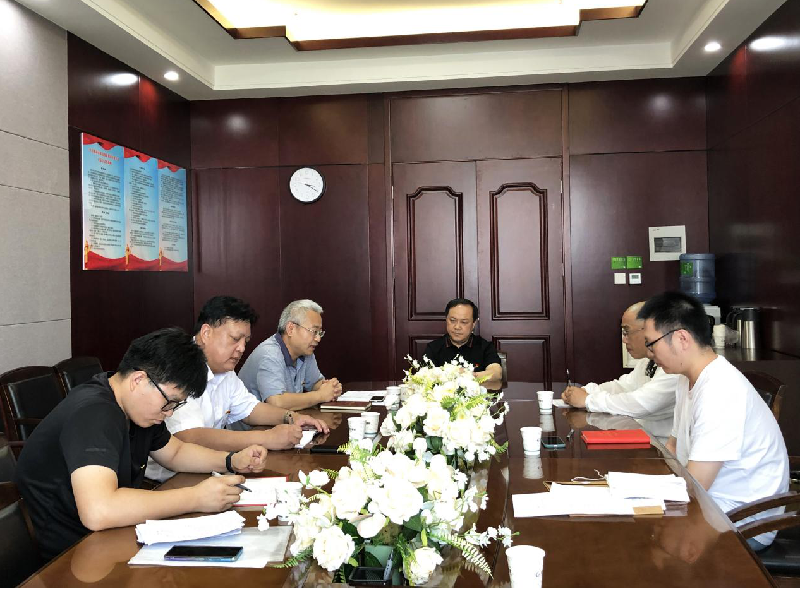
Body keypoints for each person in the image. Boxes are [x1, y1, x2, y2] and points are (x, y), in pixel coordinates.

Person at [14, 328, 268, 560]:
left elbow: (176, 452)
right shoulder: (95, 412)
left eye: (177, 405)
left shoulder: (136, 408)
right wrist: (196, 497)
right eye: (170, 402)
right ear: (138, 380)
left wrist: (230, 461)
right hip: (69, 555)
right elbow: (99, 510)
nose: (170, 412)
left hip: (110, 538)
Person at [639, 291, 789, 551]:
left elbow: (697, 485)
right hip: (711, 505)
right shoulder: (686, 378)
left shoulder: (720, 387)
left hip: (743, 520)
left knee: (643, 544)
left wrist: (642, 497)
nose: (650, 353)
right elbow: (673, 447)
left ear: (682, 338)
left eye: (652, 344)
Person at [145, 296, 328, 482]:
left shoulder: (225, 371)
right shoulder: (179, 364)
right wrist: (266, 438)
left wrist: (291, 417)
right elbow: (190, 436)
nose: (241, 348)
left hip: (207, 469)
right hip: (167, 480)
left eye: (245, 341)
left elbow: (250, 409)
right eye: (235, 339)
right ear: (206, 333)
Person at [561, 301, 679, 419]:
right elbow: (624, 387)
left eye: (627, 332)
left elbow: (640, 403)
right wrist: (586, 391)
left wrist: (588, 400)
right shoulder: (648, 360)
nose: (624, 339)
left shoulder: (675, 367)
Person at [238, 299, 342, 412]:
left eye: (320, 333)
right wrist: (321, 395)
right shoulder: (269, 354)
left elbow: (315, 383)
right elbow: (276, 403)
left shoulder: (305, 352)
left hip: (285, 420)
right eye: (314, 331)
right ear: (291, 329)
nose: (318, 339)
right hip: (251, 423)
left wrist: (331, 388)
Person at [422, 298, 502, 381]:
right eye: (452, 320)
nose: (457, 327)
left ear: (473, 324)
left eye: (464, 322)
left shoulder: (485, 347)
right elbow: (424, 376)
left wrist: (469, 376)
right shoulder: (433, 348)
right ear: (446, 320)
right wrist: (451, 375)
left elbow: (496, 373)